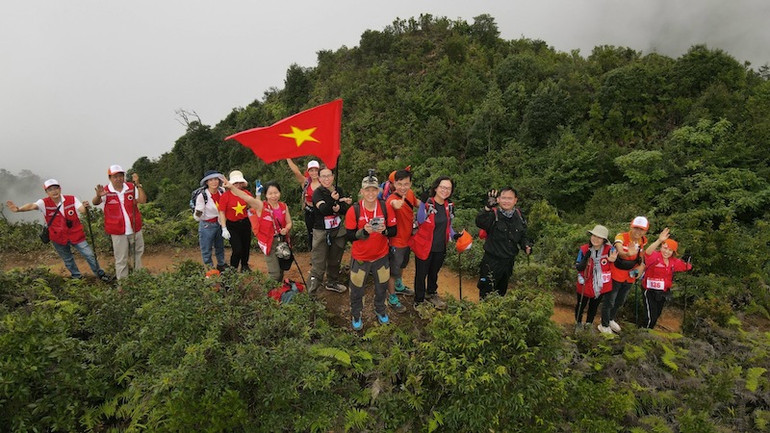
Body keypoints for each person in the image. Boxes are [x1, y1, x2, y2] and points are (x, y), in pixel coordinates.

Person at [6, 179, 113, 282]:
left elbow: (82, 210)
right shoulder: (43, 203)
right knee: (68, 259)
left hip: (76, 235)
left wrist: (86, 207)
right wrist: (18, 209)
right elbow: (31, 206)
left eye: (55, 188)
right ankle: (77, 277)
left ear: (60, 189)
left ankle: (100, 274)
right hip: (58, 237)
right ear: (46, 192)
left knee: (89, 255)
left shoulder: (71, 199)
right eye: (50, 189)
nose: (54, 191)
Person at [345, 172, 398, 330]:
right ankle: (356, 313)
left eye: (374, 190)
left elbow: (393, 230)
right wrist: (364, 232)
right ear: (361, 191)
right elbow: (349, 236)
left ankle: (380, 309)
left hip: (381, 256)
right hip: (360, 258)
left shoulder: (385, 207)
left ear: (378, 191)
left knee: (382, 286)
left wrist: (384, 231)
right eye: (367, 190)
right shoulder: (354, 210)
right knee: (356, 288)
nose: (370, 193)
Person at [224, 179, 293, 282]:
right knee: (275, 274)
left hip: (282, 241)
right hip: (269, 243)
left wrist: (286, 229)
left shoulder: (283, 206)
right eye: (270, 193)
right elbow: (246, 197)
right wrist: (232, 187)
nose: (274, 196)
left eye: (276, 193)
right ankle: (270, 291)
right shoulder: (261, 206)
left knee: (281, 269)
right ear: (266, 195)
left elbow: (289, 222)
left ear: (280, 193)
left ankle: (278, 290)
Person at [409, 176, 458, 310]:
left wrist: (454, 235)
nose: (445, 190)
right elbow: (420, 220)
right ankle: (419, 300)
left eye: (448, 188)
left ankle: (431, 293)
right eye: (442, 187)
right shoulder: (428, 204)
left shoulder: (449, 206)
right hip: (424, 246)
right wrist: (422, 203)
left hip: (440, 246)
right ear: (436, 188)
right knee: (421, 274)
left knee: (434, 272)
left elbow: (448, 225)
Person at [475, 187, 532, 299]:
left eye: (509, 198)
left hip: (508, 262)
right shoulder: (493, 215)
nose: (506, 201)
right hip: (491, 262)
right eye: (504, 198)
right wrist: (487, 208)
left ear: (515, 200)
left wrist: (526, 245)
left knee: (501, 291)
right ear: (498, 200)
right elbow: (479, 222)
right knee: (486, 291)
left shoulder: (519, 216)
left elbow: (523, 235)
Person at [92, 165, 147, 280]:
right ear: (110, 178)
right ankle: (123, 284)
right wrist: (98, 196)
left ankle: (139, 280)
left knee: (138, 255)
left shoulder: (131, 187)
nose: (119, 179)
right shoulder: (106, 191)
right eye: (115, 177)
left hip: (135, 228)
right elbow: (95, 202)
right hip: (117, 231)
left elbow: (142, 200)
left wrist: (138, 185)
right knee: (121, 259)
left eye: (121, 176)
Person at [600, 216, 649, 334]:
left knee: (620, 301)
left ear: (645, 231)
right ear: (631, 227)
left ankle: (610, 319)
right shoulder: (621, 237)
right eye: (636, 228)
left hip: (629, 276)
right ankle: (604, 324)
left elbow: (641, 256)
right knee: (610, 300)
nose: (638, 231)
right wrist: (627, 254)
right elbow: (620, 251)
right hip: (616, 274)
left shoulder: (642, 241)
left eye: (641, 229)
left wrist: (641, 267)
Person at [309, 167, 352, 293]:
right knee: (319, 262)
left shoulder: (339, 190)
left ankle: (332, 282)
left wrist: (340, 207)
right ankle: (312, 292)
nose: (326, 179)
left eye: (329, 175)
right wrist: (333, 200)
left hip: (337, 230)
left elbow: (345, 210)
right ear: (319, 178)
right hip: (321, 231)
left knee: (335, 259)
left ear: (333, 177)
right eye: (323, 176)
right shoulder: (317, 193)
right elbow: (323, 209)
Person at [640, 228, 692, 329]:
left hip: (663, 292)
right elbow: (648, 253)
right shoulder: (655, 256)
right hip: (649, 290)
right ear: (661, 247)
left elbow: (687, 267)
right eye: (665, 248)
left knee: (657, 314)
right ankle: (644, 332)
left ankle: (647, 331)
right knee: (651, 316)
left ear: (673, 252)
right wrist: (659, 240)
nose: (666, 252)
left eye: (670, 250)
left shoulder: (674, 262)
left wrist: (688, 259)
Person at [385, 169, 418, 313]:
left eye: (406, 184)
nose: (403, 187)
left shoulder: (410, 194)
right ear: (394, 184)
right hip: (396, 242)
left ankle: (399, 286)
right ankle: (392, 296)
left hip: (408, 239)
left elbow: (417, 203)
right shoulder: (391, 199)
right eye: (399, 184)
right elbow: (392, 203)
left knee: (403, 264)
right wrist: (395, 204)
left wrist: (430, 203)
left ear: (410, 184)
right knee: (393, 270)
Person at [574, 225, 618, 329]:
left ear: (604, 240)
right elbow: (579, 267)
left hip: (600, 285)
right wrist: (586, 257)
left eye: (599, 237)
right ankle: (578, 323)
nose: (596, 239)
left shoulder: (610, 250)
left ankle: (589, 324)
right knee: (581, 304)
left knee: (594, 306)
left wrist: (613, 260)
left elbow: (617, 258)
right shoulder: (584, 249)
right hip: (585, 283)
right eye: (594, 236)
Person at [217, 170, 253, 272]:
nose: (238, 185)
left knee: (246, 246)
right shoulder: (225, 196)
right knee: (237, 249)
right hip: (232, 225)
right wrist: (224, 228)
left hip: (245, 223)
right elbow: (222, 212)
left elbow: (252, 206)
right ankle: (233, 269)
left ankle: (244, 265)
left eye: (239, 183)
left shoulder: (246, 194)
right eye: (235, 183)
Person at [194, 170, 226, 271]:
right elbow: (198, 212)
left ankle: (221, 265)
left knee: (220, 247)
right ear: (206, 182)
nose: (214, 182)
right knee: (206, 249)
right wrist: (198, 214)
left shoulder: (222, 191)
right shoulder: (202, 196)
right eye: (211, 180)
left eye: (216, 179)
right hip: (207, 225)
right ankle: (210, 269)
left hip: (219, 223)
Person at [287, 159, 321, 250]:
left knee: (322, 233)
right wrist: (288, 158)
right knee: (311, 233)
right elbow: (296, 172)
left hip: (321, 211)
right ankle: (313, 253)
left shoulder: (324, 182)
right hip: (309, 211)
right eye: (311, 170)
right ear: (308, 172)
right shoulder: (306, 182)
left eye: (316, 170)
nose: (314, 173)